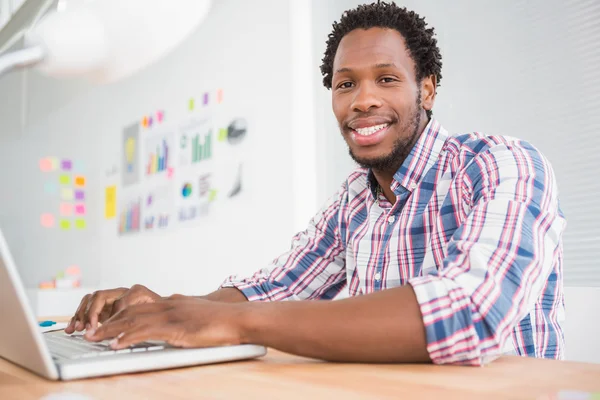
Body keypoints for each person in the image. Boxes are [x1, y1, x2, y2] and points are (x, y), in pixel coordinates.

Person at [65, 1, 567, 366]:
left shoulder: (502, 164)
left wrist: (236, 324)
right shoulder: (353, 202)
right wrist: (166, 309)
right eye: (345, 83)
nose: (362, 99)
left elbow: (470, 312)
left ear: (428, 90)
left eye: (386, 79)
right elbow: (272, 288)